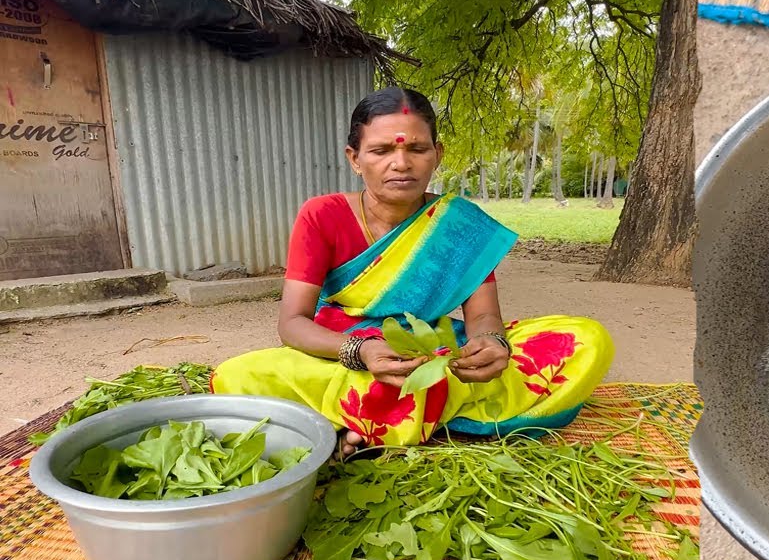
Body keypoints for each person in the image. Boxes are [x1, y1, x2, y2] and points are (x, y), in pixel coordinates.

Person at [212, 86, 614, 456]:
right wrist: (360, 351)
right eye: (381, 150)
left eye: (417, 149)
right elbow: (293, 324)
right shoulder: (322, 215)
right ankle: (414, 411)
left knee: (587, 340)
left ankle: (363, 421)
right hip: (343, 354)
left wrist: (492, 345)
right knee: (237, 376)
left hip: (434, 352)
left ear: (437, 154)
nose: (400, 163)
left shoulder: (459, 223)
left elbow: (484, 317)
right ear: (354, 158)